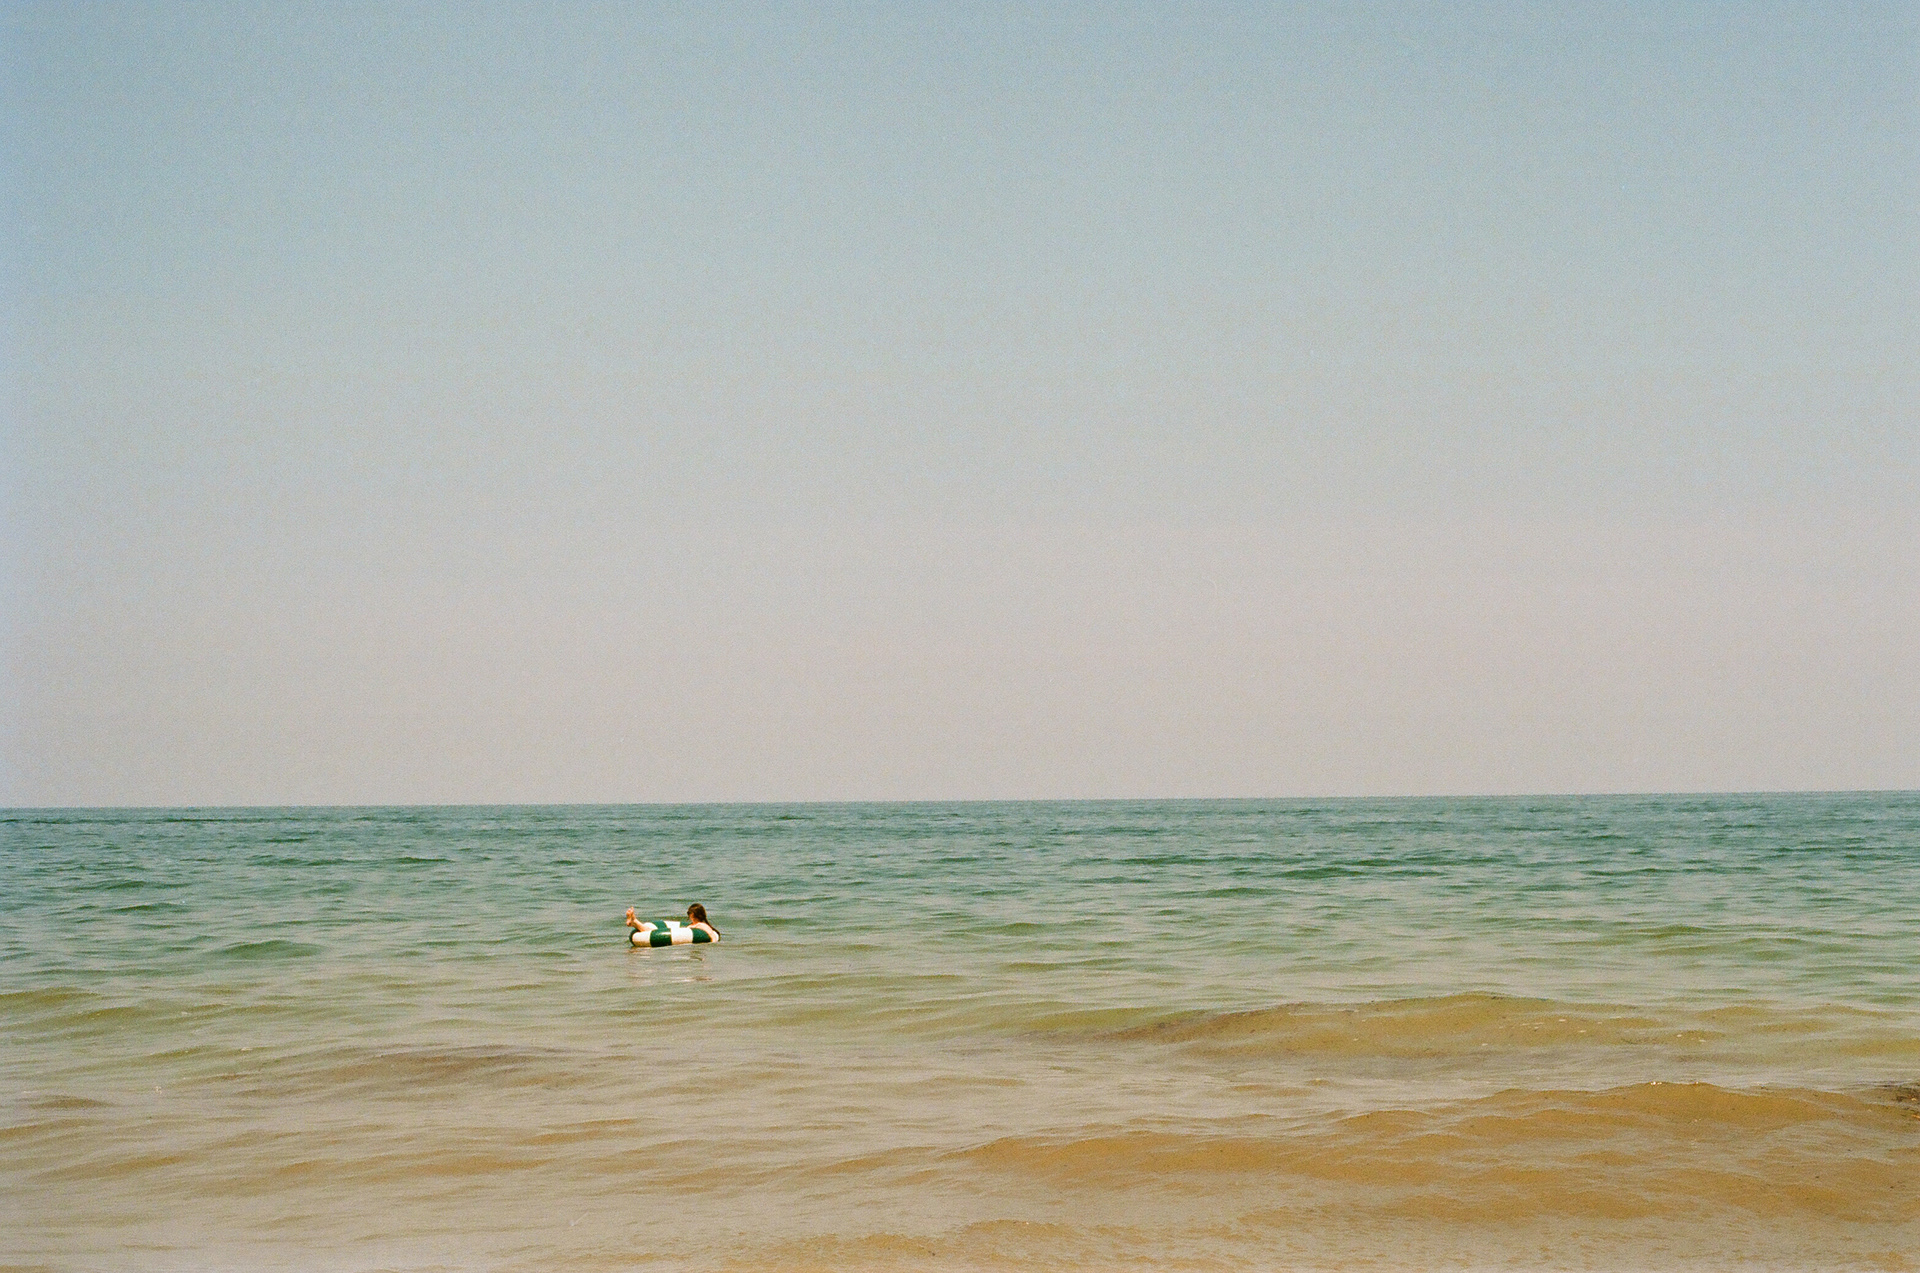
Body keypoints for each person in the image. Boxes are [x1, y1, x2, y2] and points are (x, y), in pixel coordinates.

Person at [624, 904, 721, 939]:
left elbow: (710, 933)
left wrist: (712, 941)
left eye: (689, 914)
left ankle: (635, 922)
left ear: (693, 915)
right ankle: (634, 921)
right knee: (649, 930)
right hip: (678, 933)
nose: (689, 916)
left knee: (649, 931)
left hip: (681, 935)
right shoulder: (693, 925)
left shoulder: (701, 925)